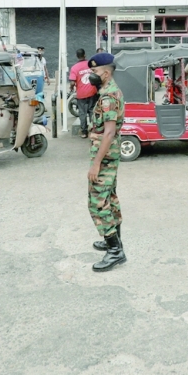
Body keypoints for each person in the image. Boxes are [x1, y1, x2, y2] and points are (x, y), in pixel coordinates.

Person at [85, 52, 126, 272]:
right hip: (109, 154)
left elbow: (108, 133)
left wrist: (96, 164)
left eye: (94, 71)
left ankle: (115, 251)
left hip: (105, 156)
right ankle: (114, 241)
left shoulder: (109, 96)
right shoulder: (109, 91)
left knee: (97, 202)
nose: (91, 75)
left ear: (106, 73)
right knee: (110, 197)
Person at [68, 48, 98, 139]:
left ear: (77, 56)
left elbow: (72, 82)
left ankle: (84, 132)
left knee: (82, 113)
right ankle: (94, 131)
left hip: (81, 94)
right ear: (85, 55)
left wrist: (71, 88)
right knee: (92, 111)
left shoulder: (74, 68)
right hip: (93, 92)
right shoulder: (91, 64)